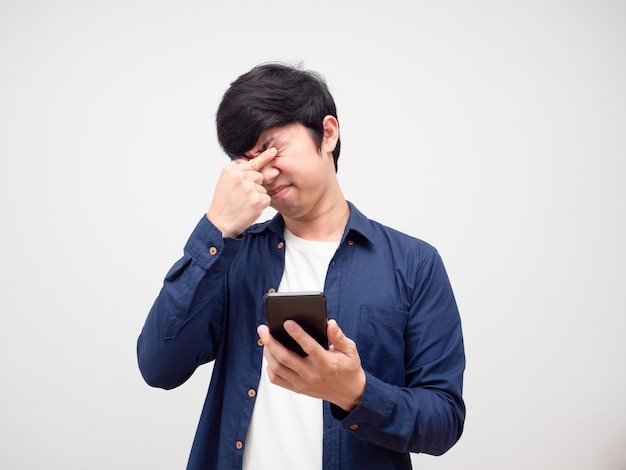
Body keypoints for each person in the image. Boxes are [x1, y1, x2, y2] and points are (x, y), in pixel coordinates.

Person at [137, 62, 466, 470]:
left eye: (274, 148)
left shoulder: (414, 263)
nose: (266, 172)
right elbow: (159, 367)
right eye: (249, 160)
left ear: (327, 134)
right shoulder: (232, 257)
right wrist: (216, 228)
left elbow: (444, 421)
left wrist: (356, 392)